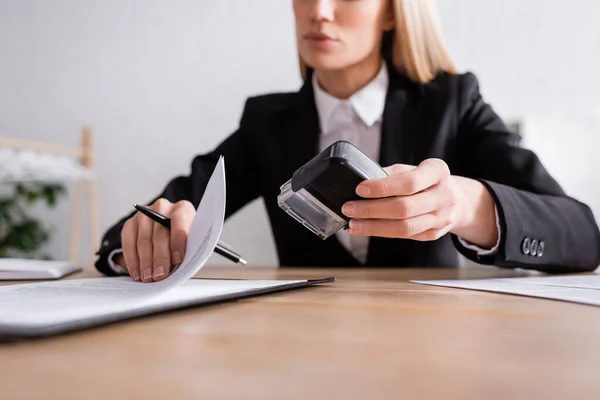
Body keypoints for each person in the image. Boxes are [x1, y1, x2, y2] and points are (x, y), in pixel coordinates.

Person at [95, 0, 600, 282]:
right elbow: (144, 221)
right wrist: (147, 241)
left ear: (390, 11)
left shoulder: (452, 102)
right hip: (303, 349)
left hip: (431, 352)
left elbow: (582, 236)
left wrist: (469, 205)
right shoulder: (266, 121)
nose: (319, 10)